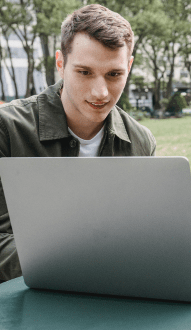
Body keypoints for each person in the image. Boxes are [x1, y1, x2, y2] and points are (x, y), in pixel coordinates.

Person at [0, 4, 156, 282]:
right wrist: (85, 258)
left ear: (129, 66)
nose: (101, 92)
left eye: (114, 74)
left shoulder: (141, 141)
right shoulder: (7, 129)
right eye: (84, 72)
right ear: (60, 64)